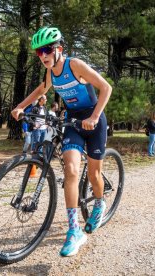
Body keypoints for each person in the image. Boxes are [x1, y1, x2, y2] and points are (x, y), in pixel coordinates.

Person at [11, 26, 112, 257]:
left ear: (59, 49)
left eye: (47, 50)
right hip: (73, 122)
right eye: (39, 52)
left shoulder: (74, 65)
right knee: (71, 171)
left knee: (95, 174)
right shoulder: (50, 72)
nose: (43, 56)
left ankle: (99, 203)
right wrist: (21, 106)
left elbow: (106, 87)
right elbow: (40, 90)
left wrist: (95, 116)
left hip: (94, 121)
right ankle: (74, 230)